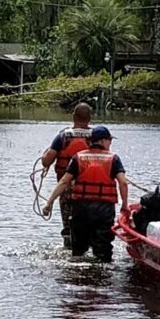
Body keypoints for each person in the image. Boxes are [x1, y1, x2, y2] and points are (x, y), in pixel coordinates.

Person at [42, 126, 129, 262]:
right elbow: (123, 183)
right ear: (101, 141)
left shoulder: (79, 157)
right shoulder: (114, 159)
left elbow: (64, 181)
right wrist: (125, 205)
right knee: (103, 251)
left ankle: (77, 278)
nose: (110, 143)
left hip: (80, 208)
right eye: (109, 140)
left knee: (78, 252)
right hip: (104, 210)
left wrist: (49, 202)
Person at [40, 102, 94, 248]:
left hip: (66, 191)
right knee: (89, 228)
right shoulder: (97, 137)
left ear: (73, 117)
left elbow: (46, 162)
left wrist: (47, 151)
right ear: (90, 119)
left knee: (69, 227)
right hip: (91, 193)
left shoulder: (62, 137)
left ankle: (70, 249)